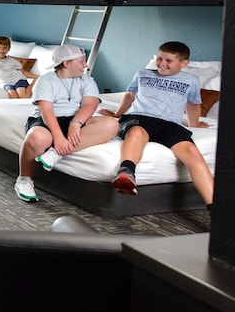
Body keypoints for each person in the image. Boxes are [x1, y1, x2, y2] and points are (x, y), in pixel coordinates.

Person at [97, 41, 214, 208]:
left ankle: (215, 210)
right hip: (140, 117)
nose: (162, 63)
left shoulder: (191, 80)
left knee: (192, 152)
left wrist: (194, 123)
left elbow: (193, 104)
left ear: (184, 63)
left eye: (169, 60)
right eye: (160, 58)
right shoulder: (143, 73)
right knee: (137, 133)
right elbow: (130, 95)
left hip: (170, 124)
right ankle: (127, 171)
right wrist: (117, 114)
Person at [14, 44, 119, 202]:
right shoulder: (46, 80)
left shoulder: (87, 80)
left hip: (78, 119)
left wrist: (75, 124)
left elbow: (89, 104)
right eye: (81, 61)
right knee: (37, 138)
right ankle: (24, 179)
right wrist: (58, 137)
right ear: (66, 63)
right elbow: (46, 110)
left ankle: (55, 153)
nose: (86, 65)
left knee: (112, 124)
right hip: (49, 119)